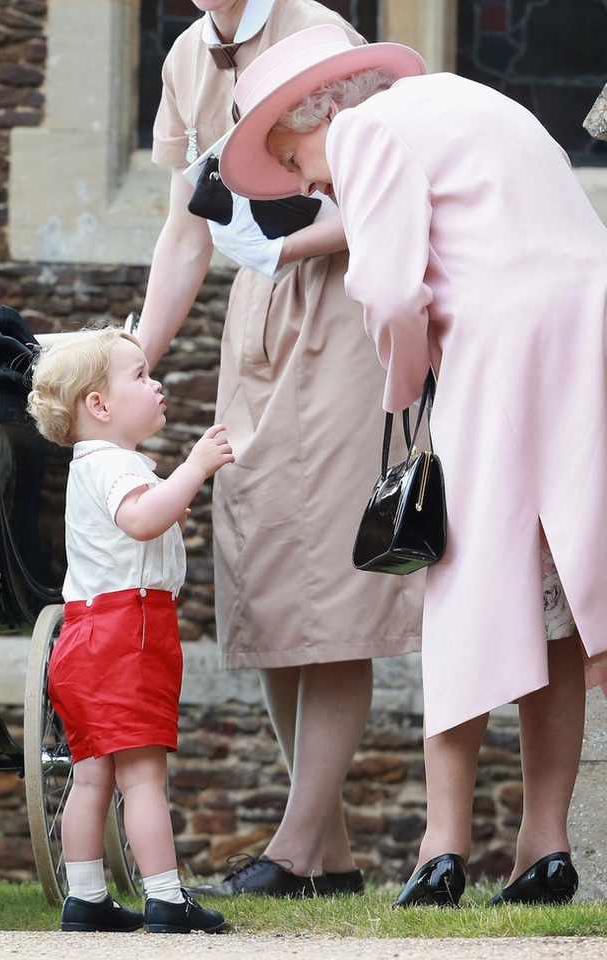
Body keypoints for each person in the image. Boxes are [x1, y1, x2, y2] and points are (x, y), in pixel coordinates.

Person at [218, 23, 607, 906]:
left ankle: (442, 849)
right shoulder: (467, 100)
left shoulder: (365, 130)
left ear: (314, 115)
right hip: (585, 335)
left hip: (503, 351)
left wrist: (406, 391)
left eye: (293, 161)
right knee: (553, 601)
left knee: (463, 587)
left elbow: (391, 291)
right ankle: (544, 848)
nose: (306, 185)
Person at [136, 0, 425, 897]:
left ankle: (293, 853)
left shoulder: (320, 34)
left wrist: (285, 244)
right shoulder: (187, 57)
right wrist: (130, 358)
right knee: (268, 588)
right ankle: (330, 859)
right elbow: (186, 232)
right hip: (256, 327)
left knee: (330, 588)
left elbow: (389, 193)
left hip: (340, 311)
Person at [27, 327, 234, 932]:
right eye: (141, 375)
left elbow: (140, 523)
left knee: (91, 775)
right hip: (128, 634)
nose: (157, 383)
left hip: (83, 634)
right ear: (98, 404)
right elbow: (141, 521)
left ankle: (86, 897)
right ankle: (166, 897)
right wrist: (194, 469)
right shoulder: (117, 463)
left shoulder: (91, 465)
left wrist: (169, 495)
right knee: (143, 775)